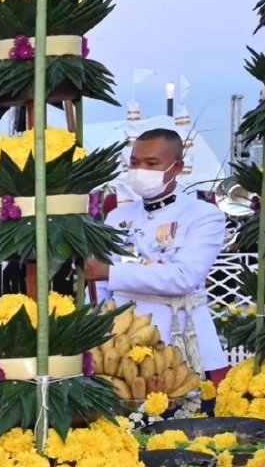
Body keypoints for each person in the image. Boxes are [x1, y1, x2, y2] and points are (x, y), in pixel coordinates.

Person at [87, 128, 229, 382]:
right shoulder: (118, 216)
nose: (140, 170)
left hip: (177, 335)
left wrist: (111, 272)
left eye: (151, 163)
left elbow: (184, 277)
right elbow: (99, 284)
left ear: (176, 168)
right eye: (134, 163)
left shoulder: (203, 215)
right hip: (121, 342)